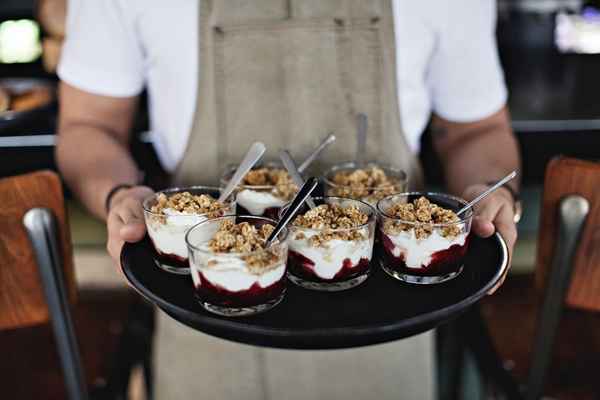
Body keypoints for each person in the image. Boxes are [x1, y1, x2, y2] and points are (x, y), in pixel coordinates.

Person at [56, 1, 520, 398]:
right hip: (202, 319)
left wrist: (486, 192)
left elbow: (477, 130)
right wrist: (119, 194)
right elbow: (86, 128)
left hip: (388, 318)